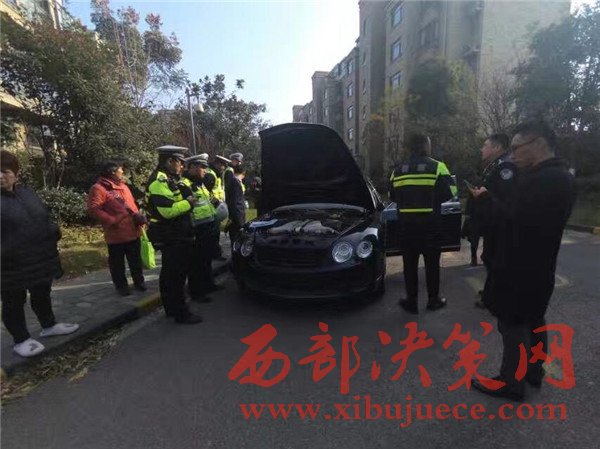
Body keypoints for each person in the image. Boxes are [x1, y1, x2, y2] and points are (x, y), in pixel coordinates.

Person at [471, 121, 576, 401]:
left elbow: (515, 220)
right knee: (534, 318)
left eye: (517, 147)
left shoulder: (545, 180)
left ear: (538, 144)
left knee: (513, 323)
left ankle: (511, 383)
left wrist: (485, 201)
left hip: (519, 265)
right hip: (538, 265)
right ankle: (533, 372)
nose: (513, 153)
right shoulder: (558, 176)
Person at [1, 150, 79, 357]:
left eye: (5, 171)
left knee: (42, 293)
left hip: (39, 258)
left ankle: (49, 325)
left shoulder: (27, 193)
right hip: (9, 265)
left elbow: (42, 217)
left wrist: (53, 231)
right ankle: (21, 339)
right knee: (13, 301)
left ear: (16, 173)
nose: (0, 176)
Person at [389, 134, 457, 314]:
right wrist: (432, 201)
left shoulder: (398, 169)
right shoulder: (437, 166)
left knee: (409, 265)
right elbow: (451, 191)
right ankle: (433, 300)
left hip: (406, 226)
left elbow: (392, 195)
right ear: (426, 146)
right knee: (432, 264)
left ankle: (411, 302)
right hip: (430, 225)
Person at [145, 146, 202, 324]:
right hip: (171, 235)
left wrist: (187, 198)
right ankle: (181, 313)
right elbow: (167, 211)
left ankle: (171, 308)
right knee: (176, 276)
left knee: (170, 274)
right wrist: (189, 203)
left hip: (177, 233)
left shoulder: (172, 179)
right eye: (180, 162)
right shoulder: (158, 181)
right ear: (170, 161)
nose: (183, 166)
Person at [470, 133, 517, 309]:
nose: (481, 149)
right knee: (489, 257)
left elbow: (506, 199)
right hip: (491, 223)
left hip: (500, 224)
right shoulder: (494, 165)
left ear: (497, 148)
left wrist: (484, 195)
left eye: (485, 145)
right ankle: (491, 292)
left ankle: (495, 296)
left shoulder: (506, 166)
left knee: (494, 259)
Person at [87, 160, 147, 296]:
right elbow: (93, 209)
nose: (123, 172)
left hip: (133, 230)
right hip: (116, 233)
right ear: (112, 172)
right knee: (117, 264)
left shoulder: (123, 186)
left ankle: (139, 282)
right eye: (120, 169)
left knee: (135, 260)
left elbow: (131, 205)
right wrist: (111, 220)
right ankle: (121, 286)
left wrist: (138, 217)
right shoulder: (98, 188)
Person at [183, 154, 224, 302]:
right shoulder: (185, 185)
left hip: (208, 226)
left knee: (206, 260)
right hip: (196, 229)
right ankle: (197, 292)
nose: (205, 170)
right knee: (196, 263)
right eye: (202, 167)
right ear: (193, 167)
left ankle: (209, 285)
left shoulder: (200, 183)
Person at [226, 164, 247, 244]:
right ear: (243, 173)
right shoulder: (236, 183)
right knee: (238, 237)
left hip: (234, 215)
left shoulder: (232, 181)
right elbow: (236, 202)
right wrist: (239, 220)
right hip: (237, 216)